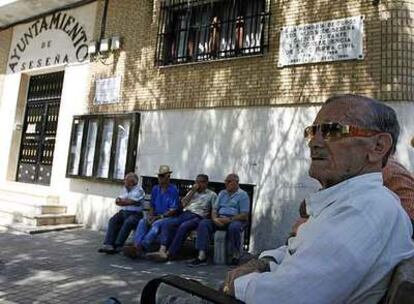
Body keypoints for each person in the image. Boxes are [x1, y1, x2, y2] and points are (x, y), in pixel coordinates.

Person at [222, 94, 414, 303]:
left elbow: (286, 298)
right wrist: (264, 262)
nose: (314, 142)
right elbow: (299, 247)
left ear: (378, 147)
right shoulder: (348, 202)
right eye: (313, 131)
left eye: (333, 130)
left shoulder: (365, 210)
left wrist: (236, 284)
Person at [146, 174, 217, 262]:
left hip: (198, 217)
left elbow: (214, 209)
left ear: (206, 183)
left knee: (184, 226)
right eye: (196, 182)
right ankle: (162, 250)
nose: (198, 184)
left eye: (201, 182)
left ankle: (170, 254)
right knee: (166, 223)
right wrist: (192, 191)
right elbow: (182, 205)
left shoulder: (212, 194)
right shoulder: (192, 192)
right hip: (185, 214)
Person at [189, 173, 250, 267]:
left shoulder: (243, 195)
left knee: (234, 227)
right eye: (226, 181)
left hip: (234, 219)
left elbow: (244, 215)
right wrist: (214, 219)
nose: (226, 183)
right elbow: (215, 209)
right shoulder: (222, 193)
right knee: (203, 223)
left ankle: (235, 255)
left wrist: (229, 219)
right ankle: (202, 255)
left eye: (229, 181)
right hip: (220, 218)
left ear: (237, 182)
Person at [123, 165, 179, 259]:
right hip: (156, 215)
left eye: (162, 176)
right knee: (143, 221)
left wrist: (159, 217)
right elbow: (152, 205)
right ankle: (136, 245)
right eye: (159, 176)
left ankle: (142, 247)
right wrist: (150, 215)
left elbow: (173, 210)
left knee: (156, 224)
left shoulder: (173, 190)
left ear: (168, 177)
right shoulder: (155, 189)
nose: (159, 178)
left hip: (168, 217)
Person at [98, 172, 145, 254]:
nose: (124, 181)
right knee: (113, 220)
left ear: (132, 182)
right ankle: (108, 244)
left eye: (126, 180)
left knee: (128, 222)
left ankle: (118, 245)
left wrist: (124, 201)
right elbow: (117, 201)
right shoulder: (124, 189)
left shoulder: (139, 190)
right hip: (123, 212)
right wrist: (124, 201)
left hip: (135, 214)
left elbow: (129, 202)